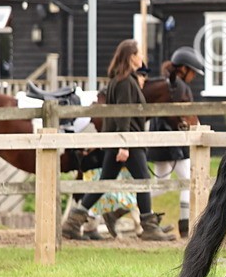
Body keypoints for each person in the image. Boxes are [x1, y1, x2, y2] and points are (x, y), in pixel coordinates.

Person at [62, 40, 174, 241]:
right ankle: (149, 228)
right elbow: (123, 115)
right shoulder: (124, 82)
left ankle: (72, 222)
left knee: (104, 183)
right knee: (143, 182)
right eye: (139, 54)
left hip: (120, 140)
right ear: (131, 56)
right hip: (127, 140)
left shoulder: (120, 80)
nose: (142, 58)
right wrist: (124, 144)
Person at [147, 46, 204, 238]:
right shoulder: (176, 86)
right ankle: (185, 226)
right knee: (188, 180)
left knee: (161, 183)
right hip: (172, 143)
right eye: (193, 72)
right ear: (183, 69)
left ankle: (126, 203)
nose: (194, 77)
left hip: (163, 141)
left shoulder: (170, 83)